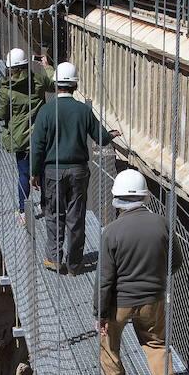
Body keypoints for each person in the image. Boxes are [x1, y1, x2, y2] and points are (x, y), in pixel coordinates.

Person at [93, 169, 183, 375]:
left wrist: (99, 313)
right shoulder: (162, 224)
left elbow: (104, 280)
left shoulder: (111, 231)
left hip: (119, 303)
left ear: (118, 199)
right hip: (152, 300)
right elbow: (175, 262)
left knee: (109, 346)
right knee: (156, 345)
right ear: (144, 196)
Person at [30, 62, 120, 274]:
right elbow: (101, 137)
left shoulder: (46, 111)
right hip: (79, 171)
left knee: (54, 213)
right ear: (75, 85)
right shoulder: (83, 110)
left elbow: (37, 146)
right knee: (76, 216)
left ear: (55, 84)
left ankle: (54, 258)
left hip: (53, 171)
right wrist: (111, 134)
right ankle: (74, 262)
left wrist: (34, 172)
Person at [0, 48, 54, 224]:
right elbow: (53, 83)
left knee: (23, 173)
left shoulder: (6, 89)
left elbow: (1, 115)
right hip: (41, 136)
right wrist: (47, 66)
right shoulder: (38, 79)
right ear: (26, 64)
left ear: (10, 68)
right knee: (43, 172)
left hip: (20, 139)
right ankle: (45, 205)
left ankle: (22, 211)